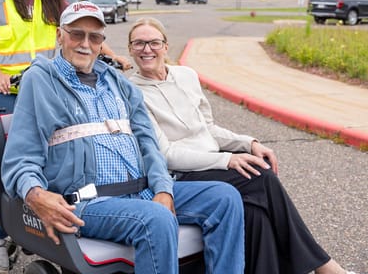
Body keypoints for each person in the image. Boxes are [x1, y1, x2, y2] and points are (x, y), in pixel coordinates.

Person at [2, 1, 245, 274]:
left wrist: (163, 189)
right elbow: (21, 157)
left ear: (101, 42)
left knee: (225, 198)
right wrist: (34, 195)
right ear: (60, 35)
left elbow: (148, 142)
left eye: (94, 37)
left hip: (141, 190)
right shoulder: (41, 80)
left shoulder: (117, 82)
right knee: (156, 219)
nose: (85, 43)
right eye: (76, 34)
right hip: (89, 202)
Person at [127, 17, 356, 274]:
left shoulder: (186, 75)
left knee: (255, 212)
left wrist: (248, 142)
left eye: (154, 42)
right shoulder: (132, 92)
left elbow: (209, 128)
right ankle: (325, 266)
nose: (147, 49)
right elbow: (167, 155)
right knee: (261, 176)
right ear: (130, 49)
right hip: (183, 173)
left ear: (166, 46)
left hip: (211, 160)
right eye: (139, 43)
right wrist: (228, 159)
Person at [0, 0, 129, 272]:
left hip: (42, 84)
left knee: (65, 138)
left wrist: (116, 56)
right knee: (13, 149)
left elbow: (81, 31)